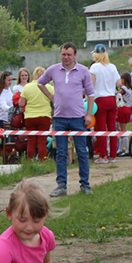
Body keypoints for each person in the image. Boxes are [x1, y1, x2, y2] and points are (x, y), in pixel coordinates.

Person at [38, 42, 95, 197]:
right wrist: (51, 97)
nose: (66, 57)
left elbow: (90, 93)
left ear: (75, 55)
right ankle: (61, 186)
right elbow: (40, 83)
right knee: (61, 152)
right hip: (59, 118)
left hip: (78, 117)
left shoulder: (83, 70)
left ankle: (85, 184)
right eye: (63, 54)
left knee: (82, 152)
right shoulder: (53, 69)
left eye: (69, 54)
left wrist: (88, 114)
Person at [89, 44, 121, 164]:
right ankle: (113, 155)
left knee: (101, 128)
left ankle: (103, 155)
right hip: (111, 99)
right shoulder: (112, 67)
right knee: (112, 127)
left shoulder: (94, 68)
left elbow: (90, 86)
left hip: (100, 99)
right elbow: (119, 83)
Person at [19, 66, 51, 161]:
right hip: (44, 116)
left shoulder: (27, 87)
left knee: (31, 140)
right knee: (42, 140)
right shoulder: (49, 87)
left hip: (29, 117)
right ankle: (42, 160)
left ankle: (30, 160)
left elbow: (21, 103)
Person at [116, 72, 132, 155]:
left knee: (122, 129)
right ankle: (123, 149)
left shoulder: (123, 88)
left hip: (122, 108)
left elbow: (118, 94)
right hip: (129, 107)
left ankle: (124, 149)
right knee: (124, 128)